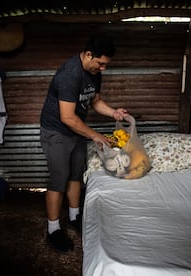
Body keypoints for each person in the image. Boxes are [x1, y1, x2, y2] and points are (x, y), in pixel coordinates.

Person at [40, 34, 128, 252]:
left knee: (76, 175)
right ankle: (53, 230)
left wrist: (113, 112)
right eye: (101, 63)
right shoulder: (70, 74)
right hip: (57, 132)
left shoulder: (94, 72)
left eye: (106, 65)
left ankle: (73, 216)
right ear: (89, 55)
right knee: (59, 179)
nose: (103, 69)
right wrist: (95, 135)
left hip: (77, 130)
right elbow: (67, 118)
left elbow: (95, 102)